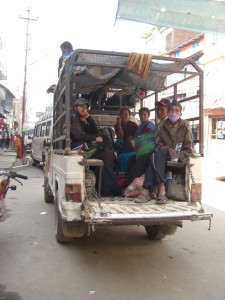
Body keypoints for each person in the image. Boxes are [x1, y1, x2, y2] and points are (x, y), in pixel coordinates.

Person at [135, 100, 194, 204]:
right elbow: (158, 144)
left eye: (177, 111)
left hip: (179, 157)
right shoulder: (161, 125)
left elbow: (189, 148)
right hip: (164, 155)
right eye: (171, 110)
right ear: (168, 112)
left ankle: (147, 191)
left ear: (180, 113)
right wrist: (168, 149)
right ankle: (161, 189)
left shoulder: (185, 126)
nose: (174, 113)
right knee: (158, 152)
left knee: (154, 157)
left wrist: (178, 155)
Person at [70, 98, 121, 196]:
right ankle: (108, 188)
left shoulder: (80, 119)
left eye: (86, 107)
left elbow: (96, 132)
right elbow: (78, 135)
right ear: (75, 107)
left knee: (107, 151)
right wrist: (95, 138)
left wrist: (88, 117)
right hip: (77, 148)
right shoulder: (73, 117)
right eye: (81, 106)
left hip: (84, 147)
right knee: (107, 153)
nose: (84, 109)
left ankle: (104, 188)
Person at [126, 107, 157, 184]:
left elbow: (146, 138)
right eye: (140, 115)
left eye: (144, 115)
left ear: (148, 115)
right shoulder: (140, 126)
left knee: (138, 161)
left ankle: (130, 182)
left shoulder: (150, 125)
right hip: (140, 150)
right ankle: (128, 181)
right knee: (131, 160)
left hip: (148, 151)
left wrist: (134, 140)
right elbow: (137, 137)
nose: (142, 116)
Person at [114, 107, 138, 171]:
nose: (123, 116)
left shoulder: (134, 125)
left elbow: (136, 139)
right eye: (122, 114)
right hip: (122, 145)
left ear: (129, 116)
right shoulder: (117, 125)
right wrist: (119, 125)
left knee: (126, 140)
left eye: (126, 114)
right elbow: (120, 137)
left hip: (132, 147)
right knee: (118, 142)